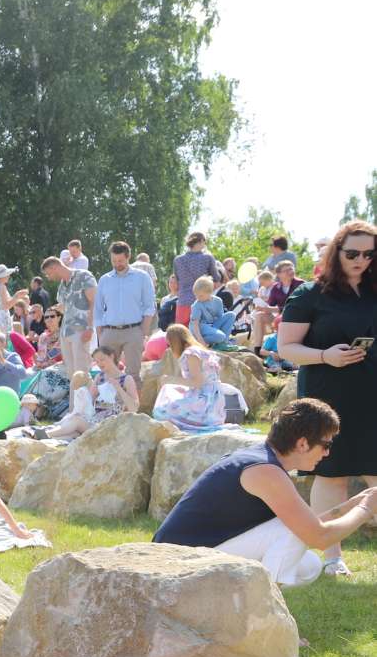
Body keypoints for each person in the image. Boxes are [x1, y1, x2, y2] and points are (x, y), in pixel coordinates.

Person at [155, 399, 375, 584]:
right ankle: (270, 619)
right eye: (326, 445)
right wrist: (366, 509)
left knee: (309, 565)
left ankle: (250, 604)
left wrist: (353, 504)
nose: (327, 453)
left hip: (188, 558)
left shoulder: (263, 461)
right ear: (302, 444)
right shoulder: (266, 471)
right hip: (174, 566)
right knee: (291, 532)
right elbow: (318, 536)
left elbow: (309, 525)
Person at [274, 220, 377, 577]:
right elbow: (287, 349)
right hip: (327, 398)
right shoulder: (309, 294)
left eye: (368, 253)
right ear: (337, 251)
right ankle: (332, 558)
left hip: (372, 397)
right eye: (352, 253)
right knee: (331, 476)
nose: (360, 260)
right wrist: (325, 356)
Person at [94, 241, 157, 377]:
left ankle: (132, 399)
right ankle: (110, 399)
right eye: (114, 261)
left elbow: (149, 305)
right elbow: (98, 309)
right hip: (109, 332)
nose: (117, 264)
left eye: (120, 260)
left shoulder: (142, 277)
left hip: (134, 331)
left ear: (128, 257)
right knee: (108, 374)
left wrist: (143, 331)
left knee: (133, 374)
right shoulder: (104, 280)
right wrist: (101, 335)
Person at [43, 255, 97, 377]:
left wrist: (90, 328)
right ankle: (74, 397)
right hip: (66, 332)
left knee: (81, 371)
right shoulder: (62, 286)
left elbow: (94, 301)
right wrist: (60, 308)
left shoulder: (84, 276)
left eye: (48, 273)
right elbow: (66, 308)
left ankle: (84, 396)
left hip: (82, 330)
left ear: (54, 267)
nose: (48, 277)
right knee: (71, 374)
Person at [173, 231, 226, 326]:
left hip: (183, 301)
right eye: (204, 241)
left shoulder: (178, 260)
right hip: (202, 301)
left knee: (181, 333)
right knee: (202, 333)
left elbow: (177, 281)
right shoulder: (207, 258)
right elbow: (217, 279)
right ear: (201, 241)